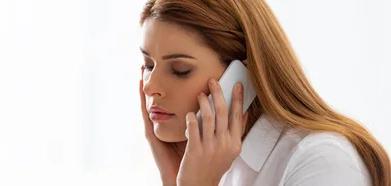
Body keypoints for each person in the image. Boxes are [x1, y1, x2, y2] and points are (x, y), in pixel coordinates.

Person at [137, 0, 390, 185]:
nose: (150, 86)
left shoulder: (323, 161)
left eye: (180, 69)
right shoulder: (213, 167)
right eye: (149, 66)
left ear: (242, 77)